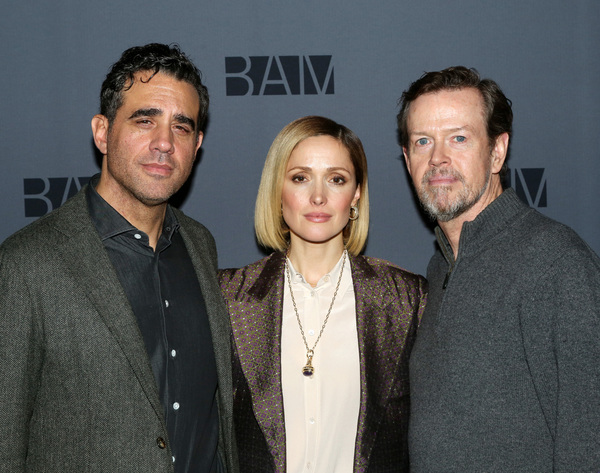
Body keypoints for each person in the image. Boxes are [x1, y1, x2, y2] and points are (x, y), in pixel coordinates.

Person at [0, 43, 238, 473]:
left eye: (181, 128)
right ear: (102, 131)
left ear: (198, 143)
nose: (164, 143)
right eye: (145, 120)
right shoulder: (26, 263)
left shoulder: (200, 244)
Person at [398, 66, 600, 472]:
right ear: (407, 159)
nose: (438, 158)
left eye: (458, 138)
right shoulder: (438, 270)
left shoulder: (557, 262)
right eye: (423, 141)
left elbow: (589, 439)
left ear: (496, 152)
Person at [219, 115, 427, 472]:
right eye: (300, 178)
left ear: (356, 193)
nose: (318, 196)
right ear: (277, 190)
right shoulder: (228, 298)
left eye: (336, 179)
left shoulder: (407, 300)